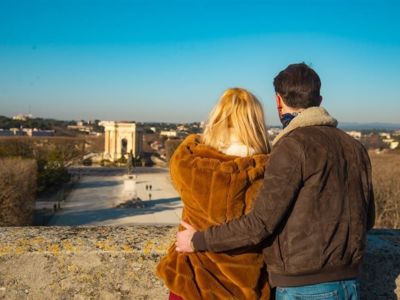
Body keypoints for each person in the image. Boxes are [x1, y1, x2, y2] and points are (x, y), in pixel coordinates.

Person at [176, 63, 375, 300]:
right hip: (349, 283)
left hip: (302, 286)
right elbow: (368, 217)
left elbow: (260, 224)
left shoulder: (292, 145)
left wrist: (198, 240)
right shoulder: (355, 148)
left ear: (278, 101)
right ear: (319, 100)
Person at [157, 88, 272, 300]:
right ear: (255, 123)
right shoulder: (268, 173)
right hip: (243, 284)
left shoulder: (187, 164)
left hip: (191, 279)